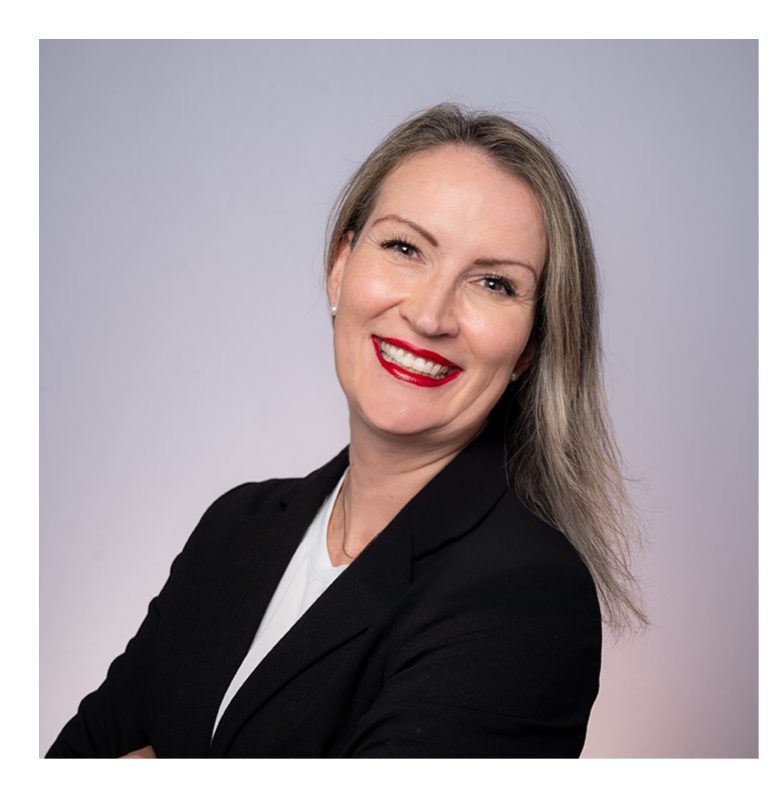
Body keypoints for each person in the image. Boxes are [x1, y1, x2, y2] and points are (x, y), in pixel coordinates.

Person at [45, 103, 645, 765]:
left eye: (493, 283)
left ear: (530, 346)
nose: (429, 315)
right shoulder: (235, 528)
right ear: (340, 267)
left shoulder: (526, 597)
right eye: (405, 248)